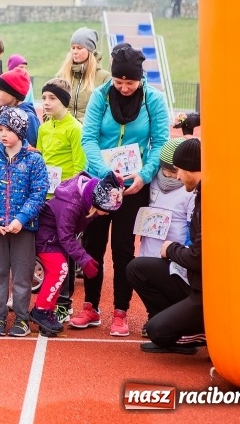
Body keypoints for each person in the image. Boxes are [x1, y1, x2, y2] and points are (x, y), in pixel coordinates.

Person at [71, 42, 169, 337]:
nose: (124, 87)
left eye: (130, 82)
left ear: (140, 79)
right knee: (92, 244)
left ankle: (120, 311)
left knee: (124, 249)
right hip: (101, 182)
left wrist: (144, 174)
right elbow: (88, 139)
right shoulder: (101, 96)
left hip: (134, 186)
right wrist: (104, 172)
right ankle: (90, 306)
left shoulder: (153, 100)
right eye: (119, 81)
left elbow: (160, 142)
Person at [0, 107, 48, 337]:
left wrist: (21, 218)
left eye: (8, 129)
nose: (3, 134)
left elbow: (39, 192)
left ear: (20, 131)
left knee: (21, 275)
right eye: (0, 129)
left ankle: (21, 318)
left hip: (23, 229)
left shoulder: (34, 159)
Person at [127, 138, 203, 353]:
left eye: (179, 170)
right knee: (136, 267)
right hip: (185, 270)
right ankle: (173, 322)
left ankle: (200, 332)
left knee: (158, 332)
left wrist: (172, 249)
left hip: (200, 284)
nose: (177, 176)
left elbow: (198, 256)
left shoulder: (201, 198)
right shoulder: (197, 192)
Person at [33, 171, 124, 336]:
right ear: (96, 203)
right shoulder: (71, 205)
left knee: (60, 272)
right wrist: (84, 260)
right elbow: (66, 236)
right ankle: (41, 310)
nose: (107, 214)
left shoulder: (89, 195)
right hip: (47, 238)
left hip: (55, 239)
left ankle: (47, 310)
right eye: (106, 210)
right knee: (59, 270)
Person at [38, 77, 86, 323]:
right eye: (44, 97)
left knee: (65, 248)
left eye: (52, 98)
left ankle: (64, 303)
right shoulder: (44, 128)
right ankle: (50, 298)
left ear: (64, 102)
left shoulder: (75, 129)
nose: (46, 102)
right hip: (45, 199)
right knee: (49, 249)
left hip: (66, 201)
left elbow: (80, 168)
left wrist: (69, 195)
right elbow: (40, 160)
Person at [54, 27, 111, 123]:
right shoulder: (61, 76)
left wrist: (78, 124)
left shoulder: (104, 78)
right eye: (73, 48)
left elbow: (107, 111)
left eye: (79, 48)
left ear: (90, 50)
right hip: (63, 133)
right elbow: (50, 105)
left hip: (89, 133)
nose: (75, 51)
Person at [0, 68, 40, 147]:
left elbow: (29, 149)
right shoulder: (1, 113)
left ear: (13, 93)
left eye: (0, 89)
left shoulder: (28, 118)